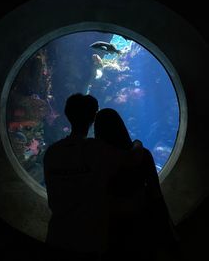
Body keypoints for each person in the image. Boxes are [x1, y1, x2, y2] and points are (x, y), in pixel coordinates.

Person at [43, 94, 132, 260]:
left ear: (67, 114)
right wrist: (137, 145)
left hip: (57, 237)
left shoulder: (52, 152)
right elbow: (130, 160)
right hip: (90, 240)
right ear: (93, 117)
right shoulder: (98, 150)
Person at [94, 108, 180, 261]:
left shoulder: (97, 162)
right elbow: (156, 193)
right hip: (143, 225)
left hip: (112, 229)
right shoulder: (142, 154)